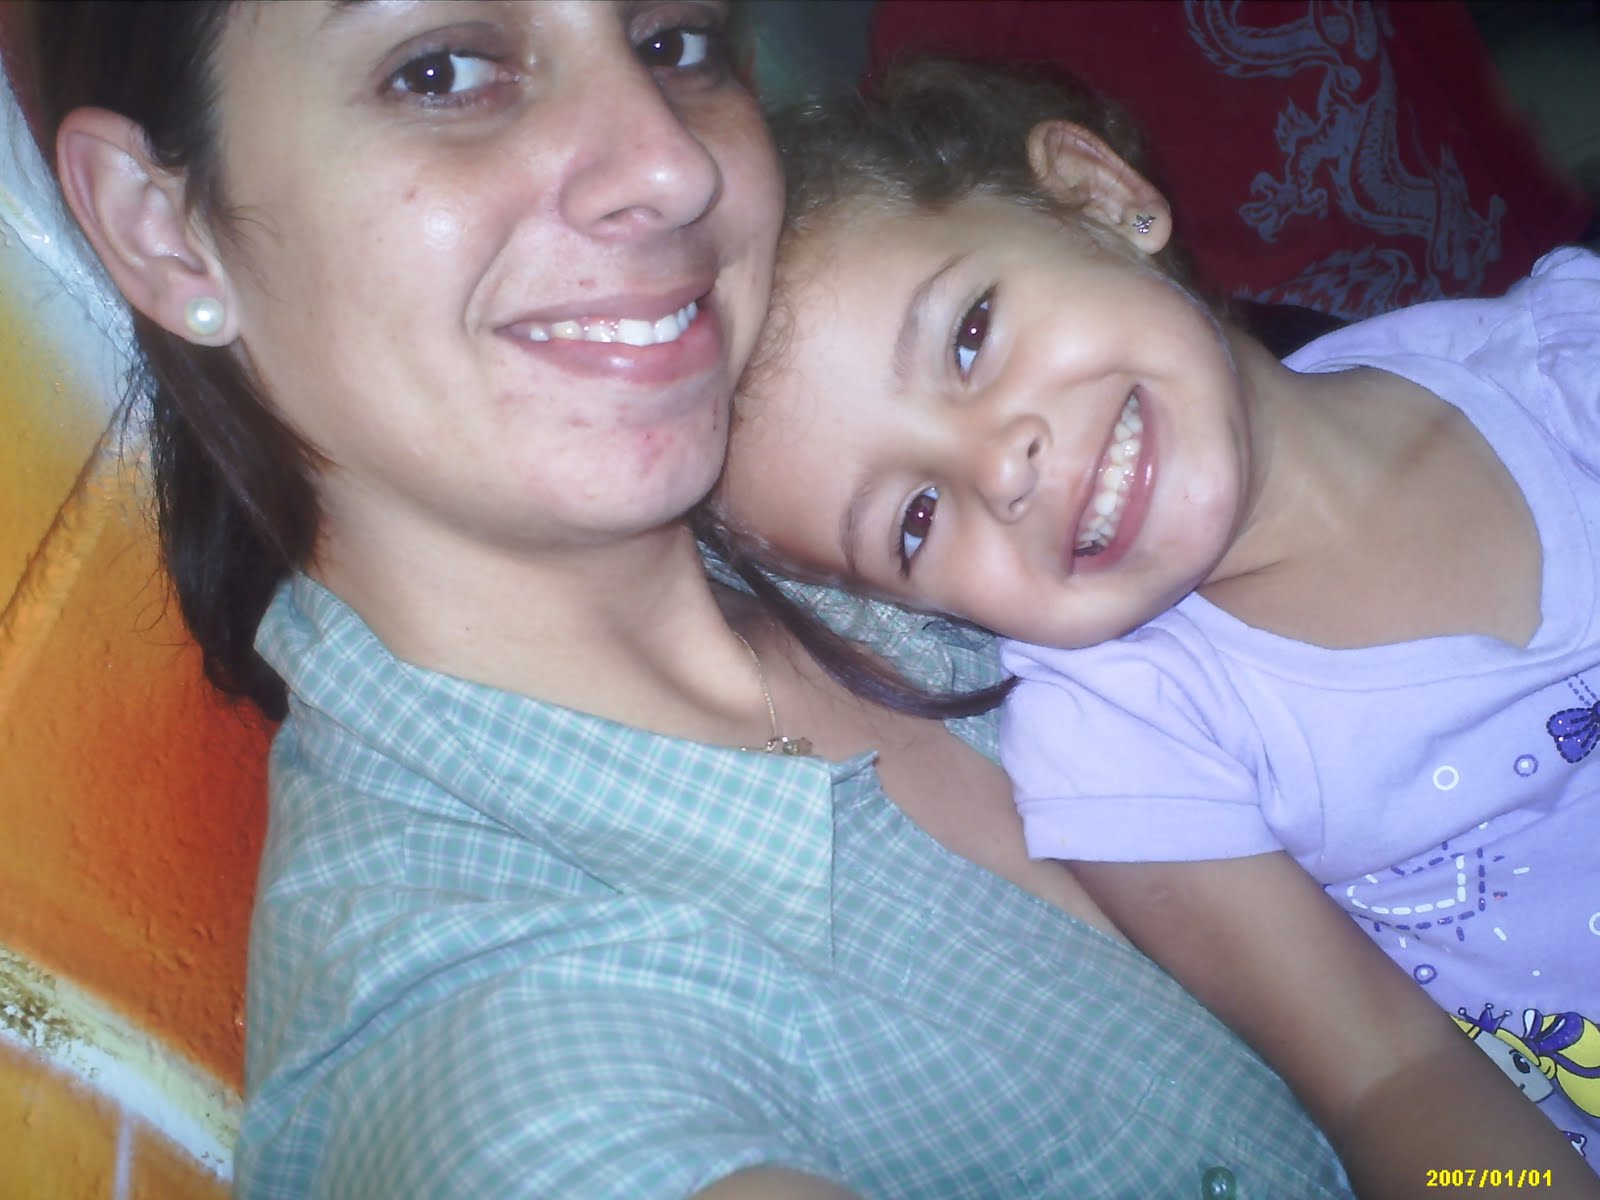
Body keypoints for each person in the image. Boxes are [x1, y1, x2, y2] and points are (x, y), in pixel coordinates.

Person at [14, 4, 1366, 1198]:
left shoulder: (881, 492)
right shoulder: (500, 1041)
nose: (671, 164)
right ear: (160, 226)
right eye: (442, 71)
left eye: (675, 43)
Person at [714, 57, 1600, 1190]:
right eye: (917, 518)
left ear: (1095, 196)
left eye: (969, 336)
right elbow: (1390, 1079)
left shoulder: (1559, 350)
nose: (1001, 466)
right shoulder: (1125, 735)